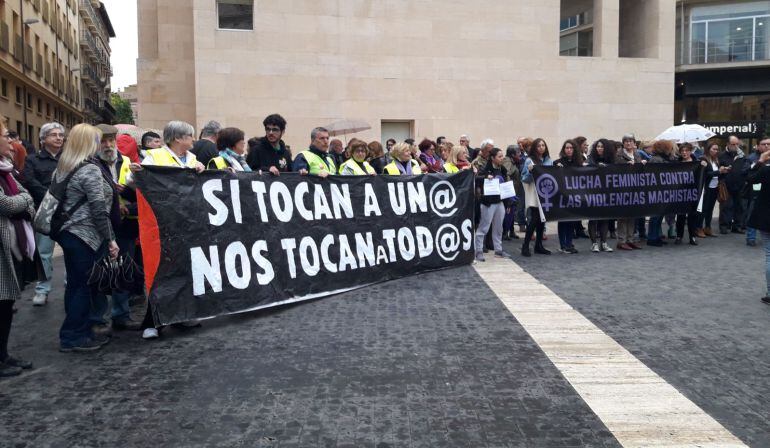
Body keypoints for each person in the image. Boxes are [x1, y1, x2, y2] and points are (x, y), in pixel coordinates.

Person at [129, 121, 205, 340]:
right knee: (162, 273)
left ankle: (183, 315)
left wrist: (201, 170)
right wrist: (137, 174)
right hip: (163, 225)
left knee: (187, 270)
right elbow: (132, 182)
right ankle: (154, 322)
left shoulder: (191, 159)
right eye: (190, 136)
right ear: (178, 138)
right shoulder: (155, 157)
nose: (193, 140)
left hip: (188, 224)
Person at [53, 124, 119, 352]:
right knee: (83, 287)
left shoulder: (65, 165)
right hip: (84, 235)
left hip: (70, 233)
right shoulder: (89, 169)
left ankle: (77, 331)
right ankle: (73, 336)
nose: (101, 145)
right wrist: (110, 239)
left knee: (75, 285)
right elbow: (98, 209)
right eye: (98, 140)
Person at [90, 124, 143, 334]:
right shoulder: (91, 163)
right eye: (104, 141)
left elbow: (139, 194)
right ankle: (97, 319)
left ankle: (121, 315)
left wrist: (128, 198)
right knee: (100, 272)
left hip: (125, 225)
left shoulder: (129, 162)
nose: (108, 145)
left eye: (111, 140)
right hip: (101, 226)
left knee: (123, 271)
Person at [0, 116, 37, 376]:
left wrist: (22, 199)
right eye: (6, 137)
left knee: (6, 304)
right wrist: (23, 200)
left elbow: (26, 198)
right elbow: (6, 204)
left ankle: (3, 355)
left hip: (12, 244)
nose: (12, 142)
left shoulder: (7, 169)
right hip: (2, 245)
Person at [23, 122, 65, 306]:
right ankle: (42, 289)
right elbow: (30, 182)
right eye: (53, 134)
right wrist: (51, 198)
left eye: (60, 135)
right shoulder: (32, 160)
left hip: (66, 212)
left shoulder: (69, 159)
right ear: (43, 139)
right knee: (44, 252)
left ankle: (69, 285)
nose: (58, 138)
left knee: (70, 251)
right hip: (44, 212)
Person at [475, 148, 513, 261]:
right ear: (493, 158)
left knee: (498, 227)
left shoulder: (503, 169)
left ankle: (498, 250)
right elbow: (477, 178)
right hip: (488, 203)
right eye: (499, 156)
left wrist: (508, 203)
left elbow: (506, 186)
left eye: (502, 156)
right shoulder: (486, 169)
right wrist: (486, 177)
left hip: (500, 202)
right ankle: (479, 250)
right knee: (484, 227)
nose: (502, 159)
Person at [745, 143, 770, 305]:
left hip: (766, 216)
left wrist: (760, 161)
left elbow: (750, 178)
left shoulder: (766, 169)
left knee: (769, 254)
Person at [520, 138, 553, 257]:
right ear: (535, 147)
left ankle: (538, 245)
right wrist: (530, 172)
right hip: (535, 193)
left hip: (546, 194)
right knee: (534, 220)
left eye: (543, 145)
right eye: (539, 146)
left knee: (541, 221)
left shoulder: (548, 160)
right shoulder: (530, 160)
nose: (541, 148)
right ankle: (525, 245)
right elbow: (524, 178)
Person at [614, 134, 644, 250]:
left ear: (634, 143)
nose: (628, 143)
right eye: (625, 141)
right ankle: (621, 241)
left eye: (630, 141)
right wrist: (626, 166)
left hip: (634, 189)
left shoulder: (637, 154)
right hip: (622, 189)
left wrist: (642, 164)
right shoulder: (618, 155)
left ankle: (630, 239)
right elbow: (615, 168)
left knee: (632, 214)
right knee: (622, 216)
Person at [554, 140, 583, 253]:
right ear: (564, 149)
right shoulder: (557, 162)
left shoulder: (578, 164)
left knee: (571, 220)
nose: (569, 150)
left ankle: (569, 243)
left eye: (571, 148)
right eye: (567, 148)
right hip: (562, 196)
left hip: (574, 197)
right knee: (562, 220)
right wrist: (557, 168)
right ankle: (563, 245)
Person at [586, 139, 615, 253]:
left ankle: (604, 242)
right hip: (593, 193)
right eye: (598, 146)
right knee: (593, 219)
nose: (599, 148)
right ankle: (594, 243)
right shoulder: (591, 159)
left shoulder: (611, 160)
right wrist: (596, 167)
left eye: (602, 147)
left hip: (606, 193)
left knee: (605, 218)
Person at [646, 139, 676, 247]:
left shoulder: (663, 158)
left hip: (663, 191)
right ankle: (652, 238)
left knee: (659, 216)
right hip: (657, 191)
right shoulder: (656, 160)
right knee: (655, 216)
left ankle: (657, 236)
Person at [718, 135, 747, 234]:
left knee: (739, 206)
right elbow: (718, 170)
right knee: (726, 206)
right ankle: (724, 226)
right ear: (728, 144)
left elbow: (745, 168)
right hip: (726, 185)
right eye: (733, 144)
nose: (735, 146)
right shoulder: (722, 155)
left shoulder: (742, 155)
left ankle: (737, 226)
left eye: (737, 144)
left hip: (739, 185)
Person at [674, 143, 701, 246]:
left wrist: (703, 164)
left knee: (692, 215)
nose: (684, 153)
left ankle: (692, 236)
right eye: (682, 151)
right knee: (680, 215)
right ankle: (679, 236)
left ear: (690, 151)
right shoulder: (677, 162)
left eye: (686, 150)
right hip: (680, 193)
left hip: (692, 192)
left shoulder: (696, 162)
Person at [744, 139, 769, 246]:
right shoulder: (751, 158)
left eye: (769, 144)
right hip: (754, 191)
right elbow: (745, 173)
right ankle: (751, 236)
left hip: (765, 193)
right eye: (764, 144)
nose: (767, 146)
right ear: (758, 146)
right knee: (752, 213)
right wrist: (758, 162)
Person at [699, 142, 724, 238]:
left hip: (715, 187)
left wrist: (722, 170)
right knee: (704, 209)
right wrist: (718, 171)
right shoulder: (703, 159)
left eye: (717, 149)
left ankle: (708, 228)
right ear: (708, 149)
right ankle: (699, 228)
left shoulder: (716, 160)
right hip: (706, 188)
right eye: (713, 149)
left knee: (710, 209)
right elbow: (705, 174)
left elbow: (716, 173)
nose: (715, 151)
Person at [501, 145, 522, 240]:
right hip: (509, 192)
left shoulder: (513, 162)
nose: (520, 154)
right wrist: (509, 192)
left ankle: (511, 231)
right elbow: (507, 174)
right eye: (518, 153)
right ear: (513, 154)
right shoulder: (507, 161)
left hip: (514, 191)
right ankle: (505, 233)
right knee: (508, 212)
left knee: (512, 212)